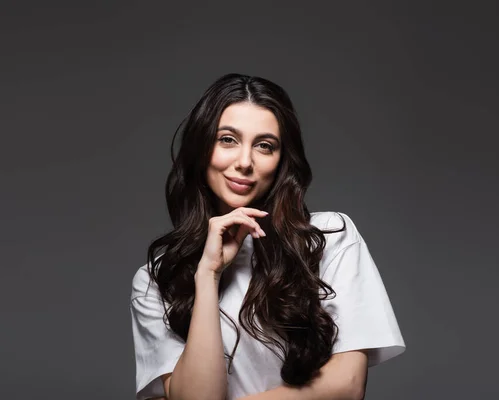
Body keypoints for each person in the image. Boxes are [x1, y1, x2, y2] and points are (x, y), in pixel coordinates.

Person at [130, 73, 406, 400]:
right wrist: (208, 274)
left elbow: (346, 385)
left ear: (281, 161)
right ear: (201, 149)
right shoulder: (156, 277)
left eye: (265, 146)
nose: (245, 162)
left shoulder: (328, 237)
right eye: (227, 140)